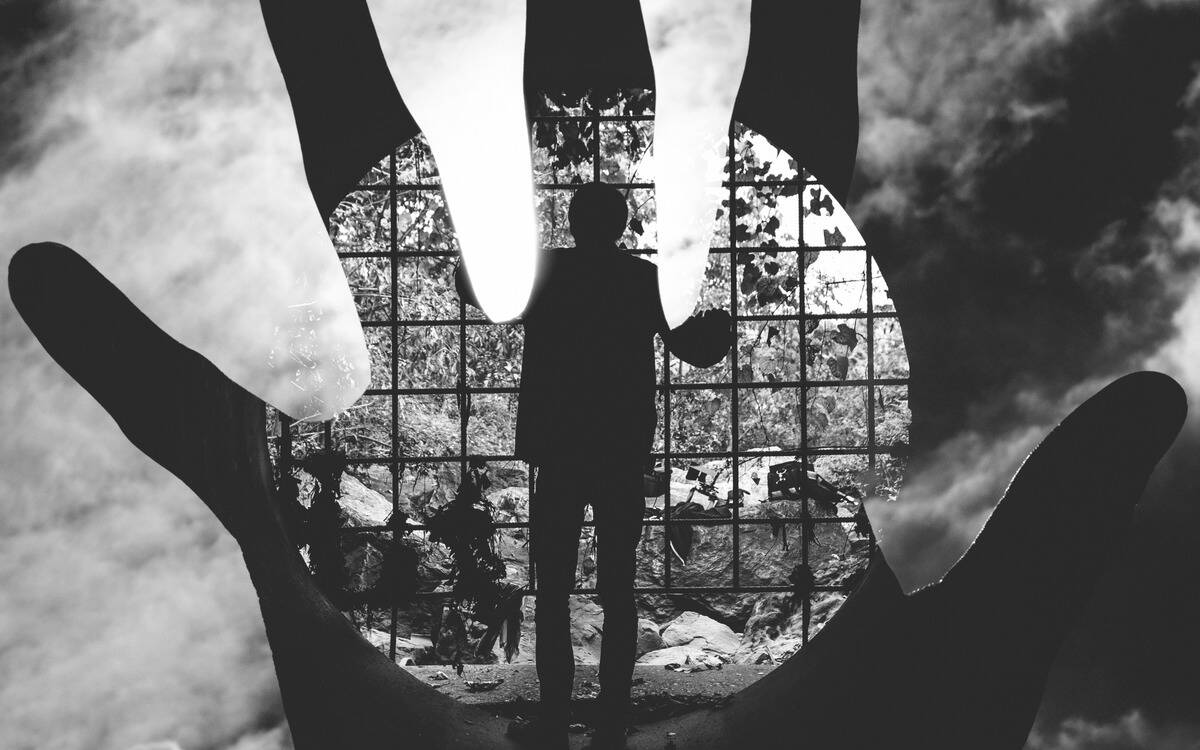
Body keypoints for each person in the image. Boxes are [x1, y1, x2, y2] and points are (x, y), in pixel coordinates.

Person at [455, 183, 732, 748]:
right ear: (623, 224)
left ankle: (555, 717)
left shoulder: (544, 274)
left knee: (552, 589)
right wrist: (722, 323)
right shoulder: (644, 279)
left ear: (573, 221)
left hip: (557, 454)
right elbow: (695, 348)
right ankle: (610, 719)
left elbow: (472, 286)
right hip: (619, 454)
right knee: (619, 589)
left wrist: (483, 242)